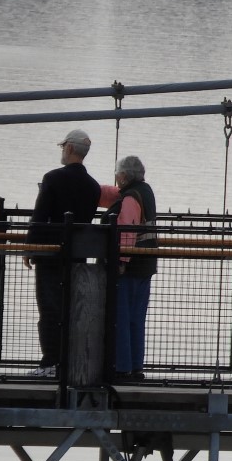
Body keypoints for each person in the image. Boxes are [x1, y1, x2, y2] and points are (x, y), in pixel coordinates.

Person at [24, 129, 102, 378]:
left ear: (69, 148)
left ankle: (49, 363)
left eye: (62, 147)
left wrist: (30, 248)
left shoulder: (52, 178)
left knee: (49, 310)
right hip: (77, 258)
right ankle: (69, 363)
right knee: (72, 310)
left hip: (50, 255)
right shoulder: (92, 187)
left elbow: (40, 216)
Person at [100, 155, 158, 382]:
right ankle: (135, 366)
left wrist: (121, 262)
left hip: (130, 267)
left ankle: (121, 367)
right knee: (136, 318)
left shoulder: (131, 197)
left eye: (117, 174)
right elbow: (109, 194)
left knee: (120, 317)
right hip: (146, 263)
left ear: (123, 176)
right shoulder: (145, 191)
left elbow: (126, 231)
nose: (115, 179)